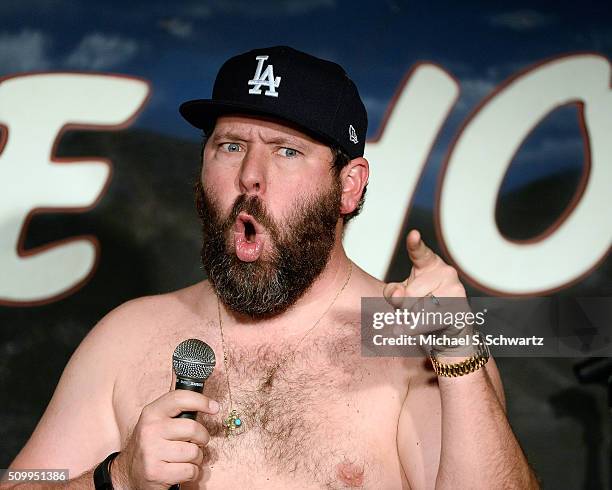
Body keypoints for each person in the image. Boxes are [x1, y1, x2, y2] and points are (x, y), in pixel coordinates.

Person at [7, 46, 538, 489]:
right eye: (230, 145)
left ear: (348, 185)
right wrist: (114, 478)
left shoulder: (409, 348)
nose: (250, 176)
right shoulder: (128, 335)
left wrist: (461, 358)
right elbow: (27, 481)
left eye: (286, 151)